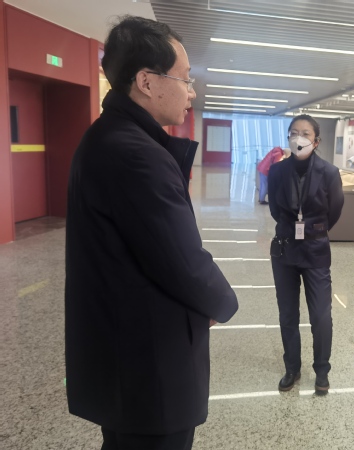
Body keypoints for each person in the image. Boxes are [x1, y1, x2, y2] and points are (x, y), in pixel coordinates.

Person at [65, 16, 238, 450]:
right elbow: (181, 259)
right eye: (185, 79)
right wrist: (221, 301)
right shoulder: (136, 154)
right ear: (146, 81)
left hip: (126, 356)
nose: (191, 92)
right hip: (149, 364)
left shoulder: (107, 137)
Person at [268, 114, 344, 395]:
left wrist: (314, 231)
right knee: (287, 313)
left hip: (315, 250)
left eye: (305, 134)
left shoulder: (329, 172)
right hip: (285, 248)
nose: (298, 138)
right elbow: (275, 210)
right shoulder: (277, 171)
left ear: (316, 141)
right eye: (293, 133)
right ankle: (292, 367)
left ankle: (322, 370)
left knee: (321, 315)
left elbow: (334, 211)